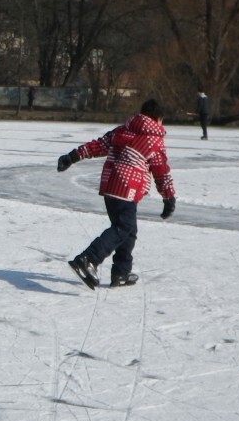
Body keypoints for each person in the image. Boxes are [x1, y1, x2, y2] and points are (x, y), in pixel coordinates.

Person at [57, 98, 176, 289]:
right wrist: (168, 197)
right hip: (127, 188)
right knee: (123, 227)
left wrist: (73, 156)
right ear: (158, 119)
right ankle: (88, 259)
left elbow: (98, 145)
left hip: (110, 185)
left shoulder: (123, 129)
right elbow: (160, 170)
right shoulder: (154, 139)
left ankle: (121, 273)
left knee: (128, 230)